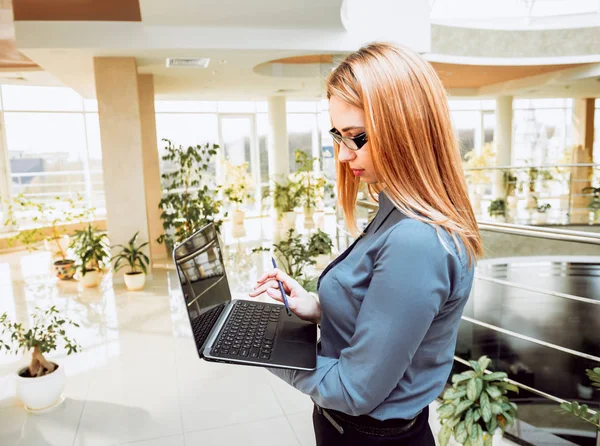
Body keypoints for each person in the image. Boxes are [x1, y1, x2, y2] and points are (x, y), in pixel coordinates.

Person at [248, 42, 483, 446]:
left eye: (357, 137)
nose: (342, 155)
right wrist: (318, 307)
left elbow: (355, 390)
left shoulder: (416, 239)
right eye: (337, 137)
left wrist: (265, 349)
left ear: (406, 129)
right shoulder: (397, 211)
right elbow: (386, 317)